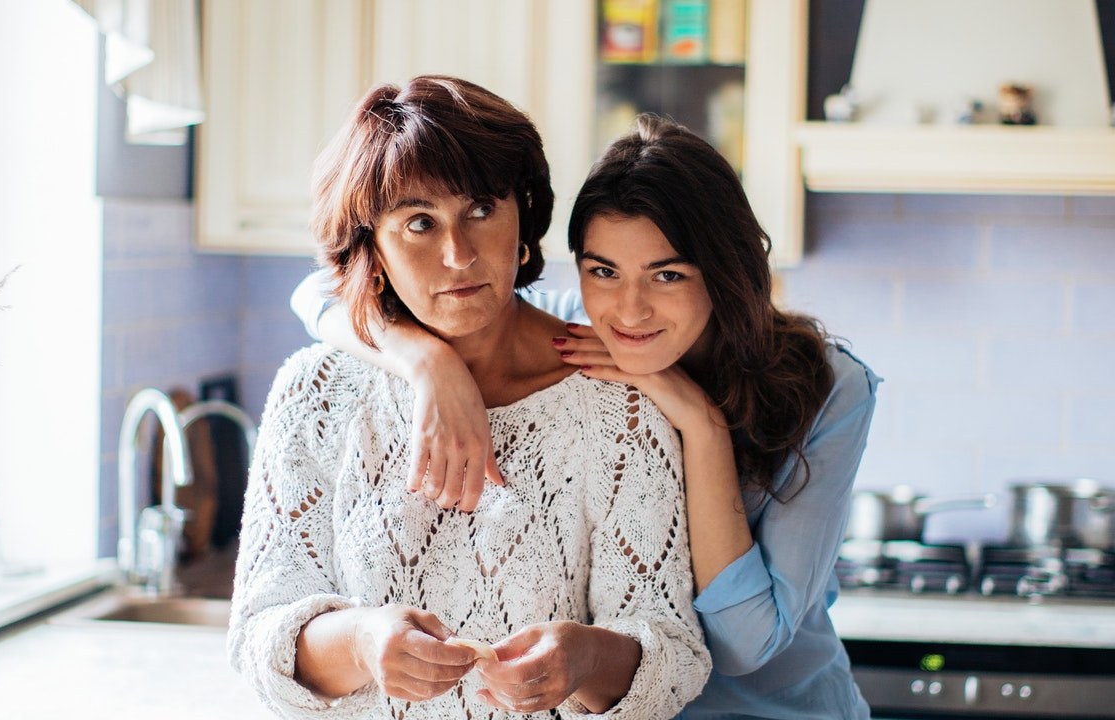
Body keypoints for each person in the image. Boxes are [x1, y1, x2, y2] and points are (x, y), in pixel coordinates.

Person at [298, 113, 881, 719]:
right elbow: (317, 294)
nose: (629, 310)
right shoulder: (575, 332)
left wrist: (701, 424)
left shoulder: (830, 386)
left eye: (668, 274)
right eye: (603, 271)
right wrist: (427, 363)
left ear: (725, 271)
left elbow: (744, 644)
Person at [228, 77, 712, 720]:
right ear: (373, 248)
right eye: (419, 223)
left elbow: (676, 657)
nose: (457, 255)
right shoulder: (315, 393)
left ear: (523, 218)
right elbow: (258, 639)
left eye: (481, 209)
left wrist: (587, 659)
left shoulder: (619, 404)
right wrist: (362, 643)